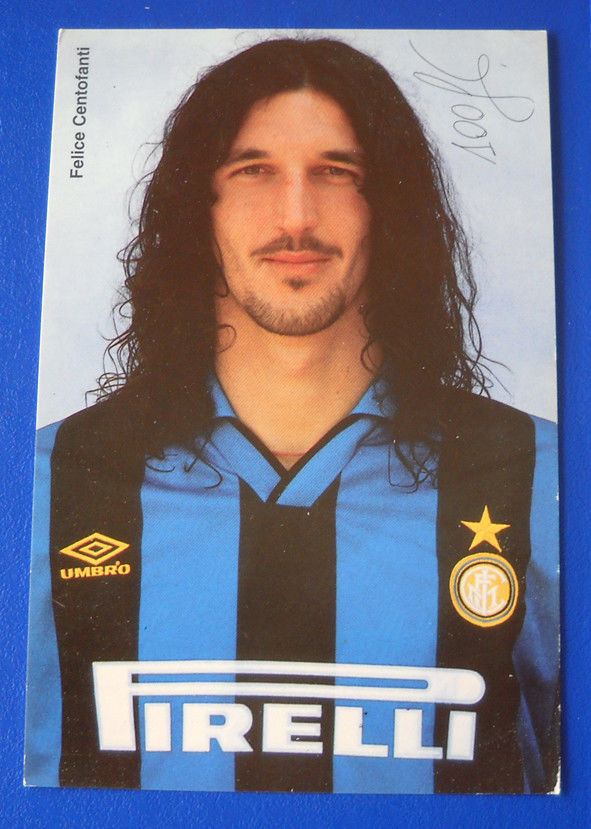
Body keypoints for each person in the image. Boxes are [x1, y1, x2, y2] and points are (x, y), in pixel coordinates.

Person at [25, 37, 559, 794]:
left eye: (337, 172)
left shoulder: (542, 481)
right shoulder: (48, 487)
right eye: (253, 170)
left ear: (390, 205)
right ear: (197, 206)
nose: (297, 215)